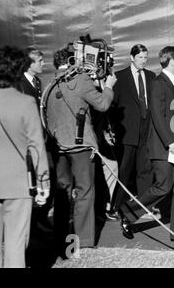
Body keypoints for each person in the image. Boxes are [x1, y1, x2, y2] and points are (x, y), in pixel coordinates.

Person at [118, 46, 174, 243]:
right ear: (171, 61)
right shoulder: (158, 83)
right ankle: (127, 212)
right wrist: (171, 142)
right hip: (163, 147)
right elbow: (157, 115)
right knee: (163, 186)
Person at [46, 45, 117, 255]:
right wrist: (109, 86)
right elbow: (103, 104)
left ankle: (61, 238)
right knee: (85, 192)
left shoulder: (50, 84)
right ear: (72, 60)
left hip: (58, 147)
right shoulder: (81, 80)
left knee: (63, 193)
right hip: (80, 147)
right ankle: (83, 240)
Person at [0, 46, 49, 267]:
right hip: (17, 184)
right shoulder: (25, 103)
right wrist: (43, 184)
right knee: (15, 245)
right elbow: (37, 147)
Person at [110, 44, 156, 219]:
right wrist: (114, 128)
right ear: (132, 58)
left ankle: (143, 206)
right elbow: (112, 106)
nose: (143, 61)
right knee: (125, 170)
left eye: (145, 57)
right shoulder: (120, 77)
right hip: (127, 131)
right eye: (140, 58)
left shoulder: (151, 76)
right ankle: (116, 207)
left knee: (145, 169)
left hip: (146, 129)